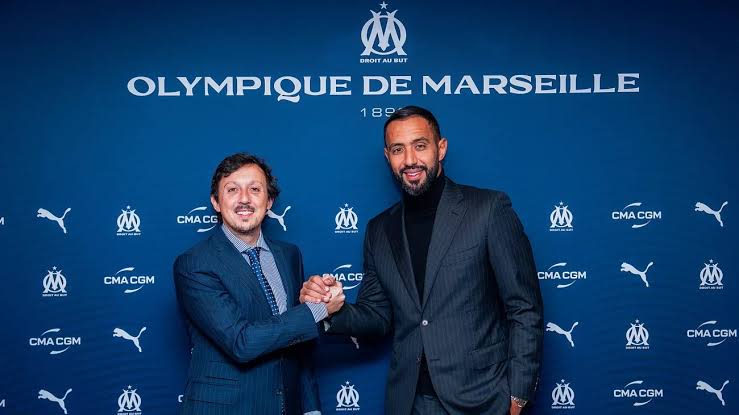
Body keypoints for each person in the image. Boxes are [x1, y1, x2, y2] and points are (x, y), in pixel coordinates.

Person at [301, 106, 544, 415]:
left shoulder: (488, 209)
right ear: (388, 156)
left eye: (420, 145)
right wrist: (330, 308)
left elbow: (524, 306)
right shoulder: (379, 230)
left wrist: (519, 394)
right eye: (398, 150)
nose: (410, 160)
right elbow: (377, 316)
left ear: (440, 148)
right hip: (409, 402)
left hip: (483, 399)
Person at [174, 153, 343, 415]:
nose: (244, 199)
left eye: (254, 189)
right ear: (216, 202)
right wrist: (318, 309)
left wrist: (311, 408)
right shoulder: (194, 264)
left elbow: (298, 341)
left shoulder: (289, 255)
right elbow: (242, 342)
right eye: (232, 190)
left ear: (269, 201)